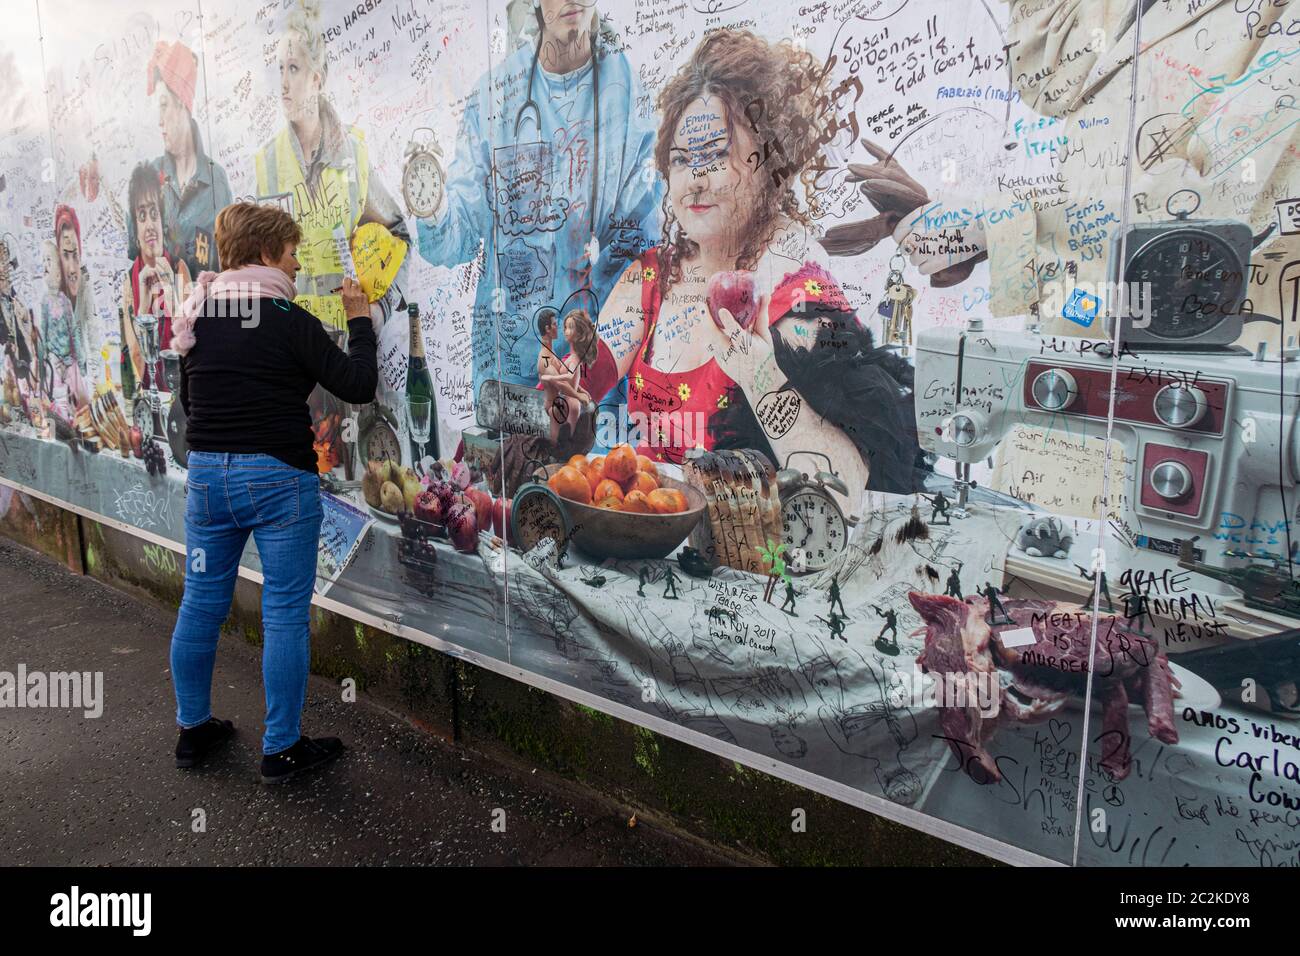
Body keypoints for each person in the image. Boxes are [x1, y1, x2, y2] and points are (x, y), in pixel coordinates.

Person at [591, 30, 926, 508]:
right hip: (650, 538)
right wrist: (567, 390)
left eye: (716, 157)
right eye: (683, 160)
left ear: (771, 166)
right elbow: (573, 396)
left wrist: (761, 375)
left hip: (749, 564)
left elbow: (846, 488)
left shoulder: (800, 300)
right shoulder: (650, 279)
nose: (696, 180)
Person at [166, 202, 378, 783]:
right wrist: (359, 319)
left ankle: (193, 732)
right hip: (279, 481)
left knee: (199, 604)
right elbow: (357, 385)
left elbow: (191, 402)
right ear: (264, 254)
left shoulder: (199, 318)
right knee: (284, 614)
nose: (295, 262)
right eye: (290, 252)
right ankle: (280, 748)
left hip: (208, 481)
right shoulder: (289, 318)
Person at [413, 0, 661, 401]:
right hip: (511, 373)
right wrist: (434, 203)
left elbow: (642, 251)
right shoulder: (495, 96)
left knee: (596, 468)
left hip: (597, 378)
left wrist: (591, 359)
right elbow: (455, 239)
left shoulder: (629, 92)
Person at [254, 0, 407, 334]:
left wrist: (378, 312)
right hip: (294, 353)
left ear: (316, 78)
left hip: (351, 350)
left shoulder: (351, 153)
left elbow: (398, 238)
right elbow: (256, 265)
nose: (282, 84)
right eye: (279, 68)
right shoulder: (267, 162)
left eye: (293, 68)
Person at [148, 39, 232, 277]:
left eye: (164, 106)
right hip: (163, 309)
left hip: (209, 309)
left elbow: (230, 260)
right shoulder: (152, 177)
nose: (159, 120)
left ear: (183, 105)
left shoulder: (216, 179)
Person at [120, 162, 192, 394]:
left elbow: (192, 347)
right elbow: (136, 358)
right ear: (135, 229)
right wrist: (143, 305)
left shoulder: (179, 269)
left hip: (183, 399)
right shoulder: (130, 282)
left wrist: (171, 294)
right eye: (142, 216)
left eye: (154, 214)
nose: (150, 225)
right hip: (151, 400)